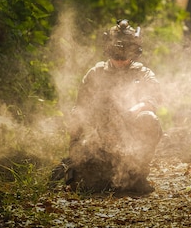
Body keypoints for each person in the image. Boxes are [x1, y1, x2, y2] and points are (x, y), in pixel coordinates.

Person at [53, 19, 163, 194]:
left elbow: (151, 100)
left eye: (125, 53)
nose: (120, 59)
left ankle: (137, 174)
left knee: (149, 118)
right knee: (92, 186)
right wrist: (77, 153)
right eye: (115, 52)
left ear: (134, 51)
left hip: (130, 142)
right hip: (99, 142)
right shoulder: (95, 74)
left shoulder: (143, 74)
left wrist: (131, 112)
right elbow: (79, 114)